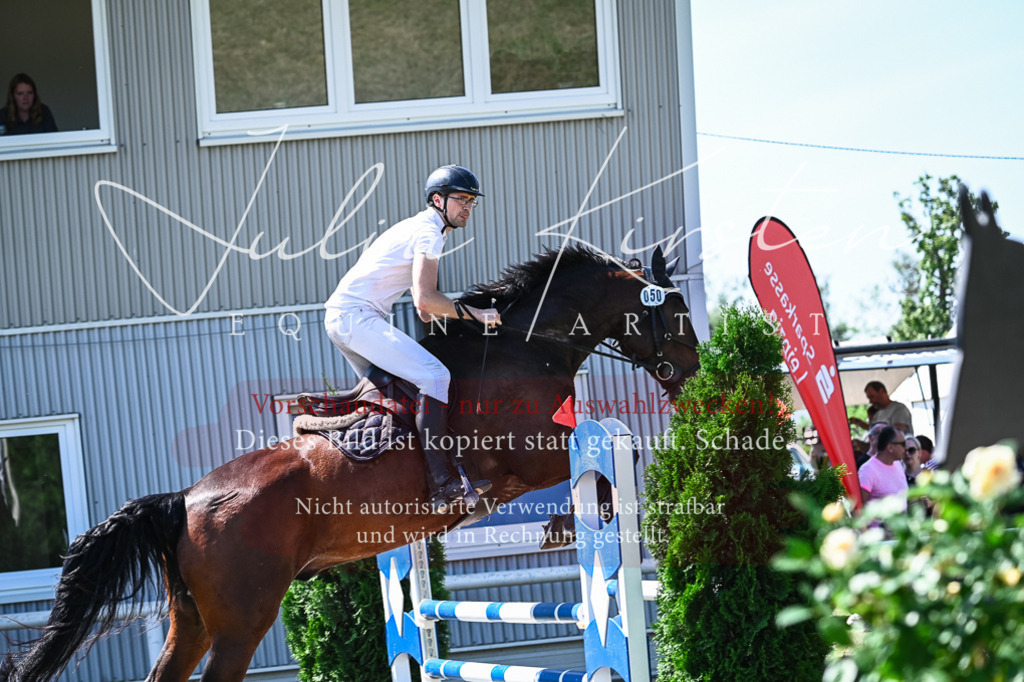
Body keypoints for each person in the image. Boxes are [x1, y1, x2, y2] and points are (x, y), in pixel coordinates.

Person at [324, 165, 500, 513]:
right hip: (355, 318)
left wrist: (445, 313)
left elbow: (423, 308)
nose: (467, 207)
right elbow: (426, 301)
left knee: (398, 393)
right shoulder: (429, 232)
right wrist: (477, 314)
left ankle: (402, 477)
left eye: (471, 202)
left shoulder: (427, 228)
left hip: (348, 318)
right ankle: (442, 482)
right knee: (435, 376)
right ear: (438, 199)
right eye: (460, 199)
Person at [859, 426, 909, 512]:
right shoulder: (868, 470)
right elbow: (859, 508)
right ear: (890, 447)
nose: (906, 448)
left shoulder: (898, 464)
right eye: (903, 444)